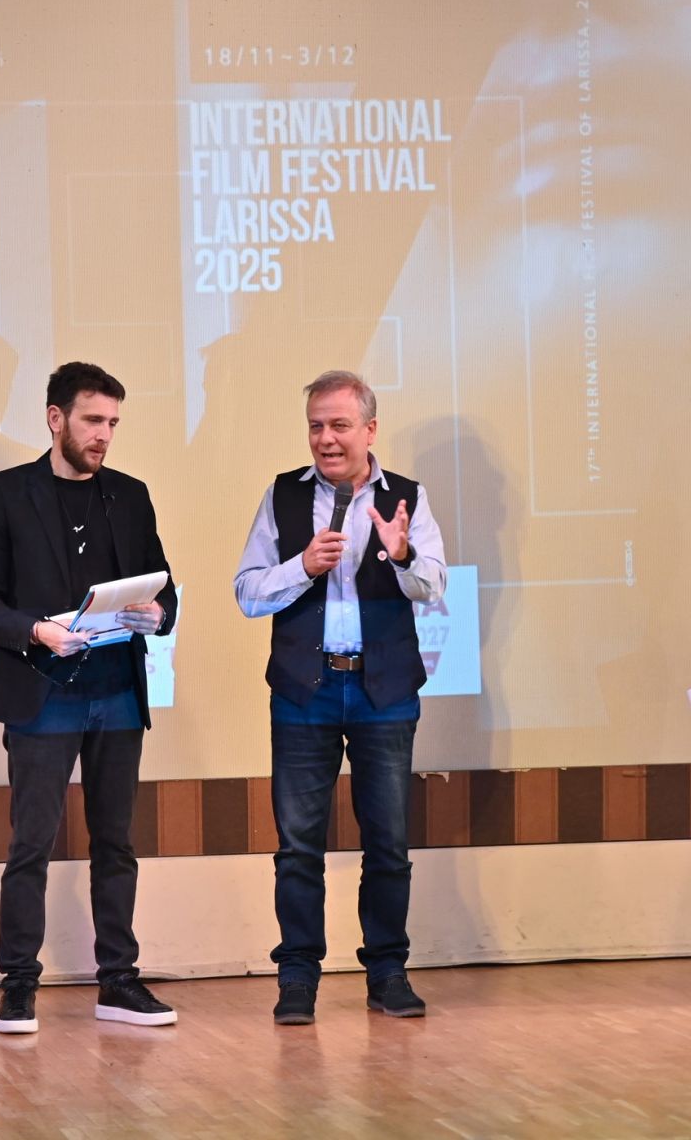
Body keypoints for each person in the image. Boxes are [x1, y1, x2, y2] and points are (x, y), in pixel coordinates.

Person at [0, 361, 179, 1033]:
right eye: (92, 420)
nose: (103, 434)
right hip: (42, 690)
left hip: (117, 692)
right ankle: (19, 985)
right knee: (32, 842)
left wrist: (159, 615)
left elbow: (164, 589)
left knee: (116, 843)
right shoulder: (6, 493)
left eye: (112, 422)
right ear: (56, 418)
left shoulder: (130, 495)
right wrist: (37, 630)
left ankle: (119, 982)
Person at [234, 370, 448, 1025]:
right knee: (299, 847)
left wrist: (402, 554)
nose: (326, 439)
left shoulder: (407, 497)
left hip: (384, 690)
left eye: (340, 425)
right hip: (307, 689)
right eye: (316, 426)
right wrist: (302, 566)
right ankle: (298, 978)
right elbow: (247, 593)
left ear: (370, 430)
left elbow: (433, 586)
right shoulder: (283, 495)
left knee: (388, 842)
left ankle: (387, 972)